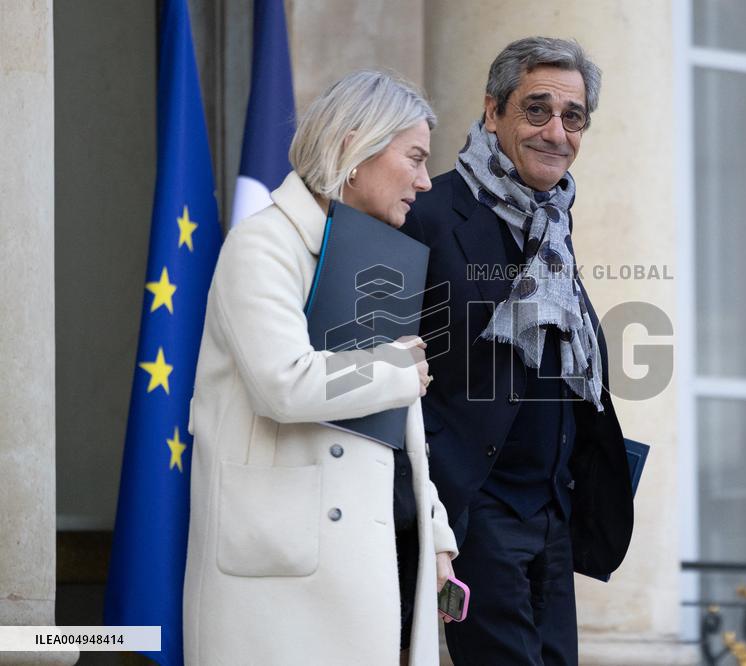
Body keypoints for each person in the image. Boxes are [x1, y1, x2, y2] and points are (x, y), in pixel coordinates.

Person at [183, 70, 457, 666]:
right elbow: (286, 383)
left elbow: (396, 432)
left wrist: (434, 532)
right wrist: (396, 370)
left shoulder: (372, 254)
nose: (424, 181)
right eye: (413, 158)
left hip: (373, 559)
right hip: (279, 587)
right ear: (354, 148)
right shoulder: (262, 245)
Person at [402, 37, 634, 665]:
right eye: (537, 110)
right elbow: (376, 367)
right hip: (476, 511)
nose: (556, 131)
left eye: (573, 116)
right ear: (492, 112)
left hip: (554, 516)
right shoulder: (425, 213)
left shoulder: (553, 225)